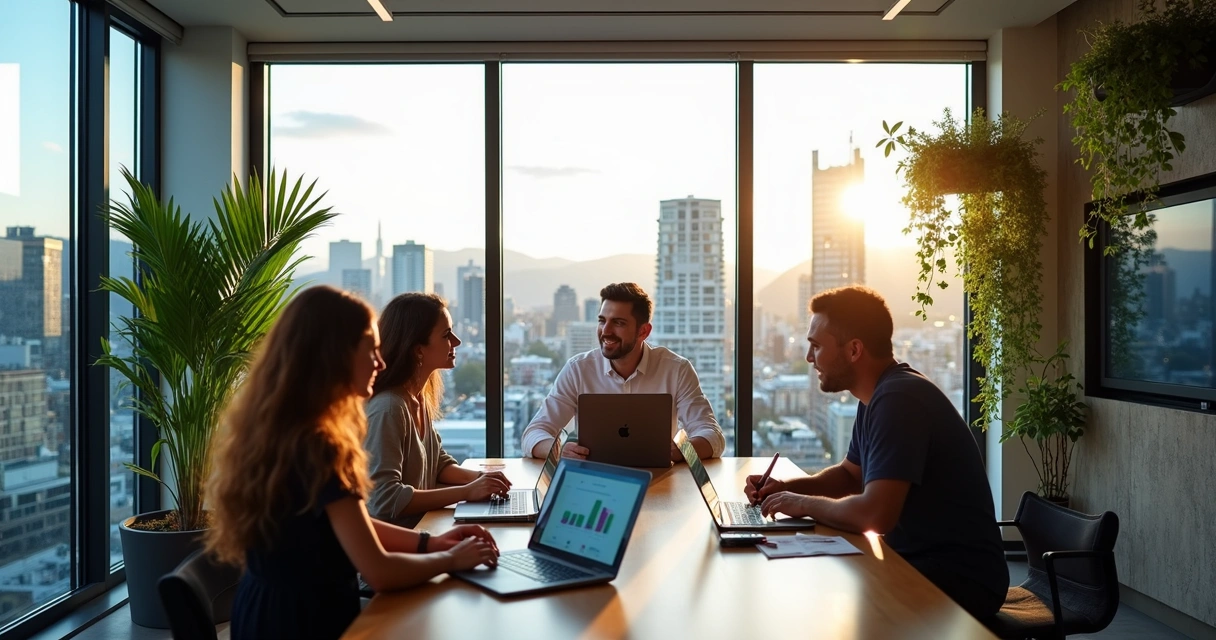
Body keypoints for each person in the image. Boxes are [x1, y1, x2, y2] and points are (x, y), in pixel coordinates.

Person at [205, 286, 500, 640]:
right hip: (306, 623)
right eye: (371, 350)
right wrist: (452, 560)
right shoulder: (319, 447)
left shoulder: (286, 432)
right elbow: (378, 571)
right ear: (336, 356)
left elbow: (351, 526)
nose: (381, 361)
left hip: (268, 613)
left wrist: (432, 543)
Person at [745, 285, 1008, 621]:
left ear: (854, 349)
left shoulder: (900, 398)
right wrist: (785, 488)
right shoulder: (877, 396)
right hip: (915, 560)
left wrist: (801, 504)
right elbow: (850, 476)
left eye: (816, 347)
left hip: (960, 579)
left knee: (819, 607)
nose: (810, 358)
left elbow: (875, 516)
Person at [521, 282, 725, 463]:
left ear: (644, 331)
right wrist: (560, 450)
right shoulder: (578, 369)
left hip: (660, 484)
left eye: (618, 323)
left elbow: (713, 436)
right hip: (592, 481)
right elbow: (533, 434)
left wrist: (683, 450)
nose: (606, 331)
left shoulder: (676, 369)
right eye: (602, 320)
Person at [364, 293, 511, 525]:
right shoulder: (389, 409)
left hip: (425, 529)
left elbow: (438, 464)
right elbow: (385, 501)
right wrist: (467, 492)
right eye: (446, 335)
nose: (456, 341)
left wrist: (483, 480)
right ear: (417, 349)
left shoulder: (418, 398)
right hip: (402, 547)